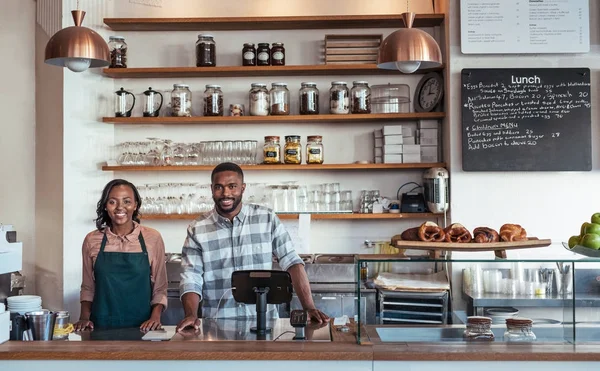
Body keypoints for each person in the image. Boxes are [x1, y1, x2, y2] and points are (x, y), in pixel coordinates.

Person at [177, 163, 329, 331]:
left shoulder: (266, 218)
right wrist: (191, 314)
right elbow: (191, 278)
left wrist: (309, 306)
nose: (226, 193)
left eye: (232, 186)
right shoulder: (197, 228)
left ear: (243, 188)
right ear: (211, 189)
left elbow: (292, 262)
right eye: (219, 187)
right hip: (217, 326)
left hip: (266, 325)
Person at [75, 179, 168, 331]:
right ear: (105, 206)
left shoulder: (152, 238)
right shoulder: (92, 240)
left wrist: (155, 317)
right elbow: (87, 287)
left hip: (143, 326)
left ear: (135, 204)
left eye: (127, 201)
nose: (120, 207)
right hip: (101, 325)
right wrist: (84, 318)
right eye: (112, 202)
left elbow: (160, 287)